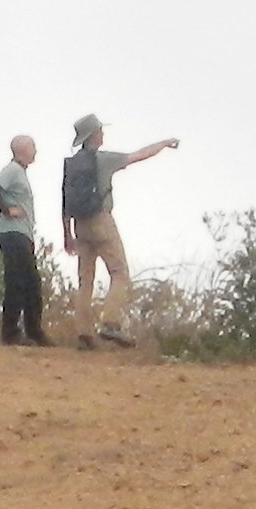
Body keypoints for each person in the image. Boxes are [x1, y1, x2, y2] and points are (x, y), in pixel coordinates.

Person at [56, 112, 178, 345]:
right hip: (101, 220)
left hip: (80, 225)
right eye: (101, 131)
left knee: (85, 280)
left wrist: (67, 234)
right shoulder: (103, 160)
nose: (103, 134)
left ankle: (84, 334)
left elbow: (65, 201)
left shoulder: (71, 165)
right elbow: (138, 155)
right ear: (94, 135)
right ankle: (110, 323)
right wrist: (163, 144)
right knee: (119, 272)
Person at [0, 134, 49, 347]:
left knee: (31, 282)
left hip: (23, 234)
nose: (36, 151)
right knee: (17, 281)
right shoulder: (13, 169)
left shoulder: (20, 173)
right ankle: (11, 332)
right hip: (12, 232)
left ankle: (34, 331)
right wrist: (6, 209)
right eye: (33, 146)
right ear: (22, 149)